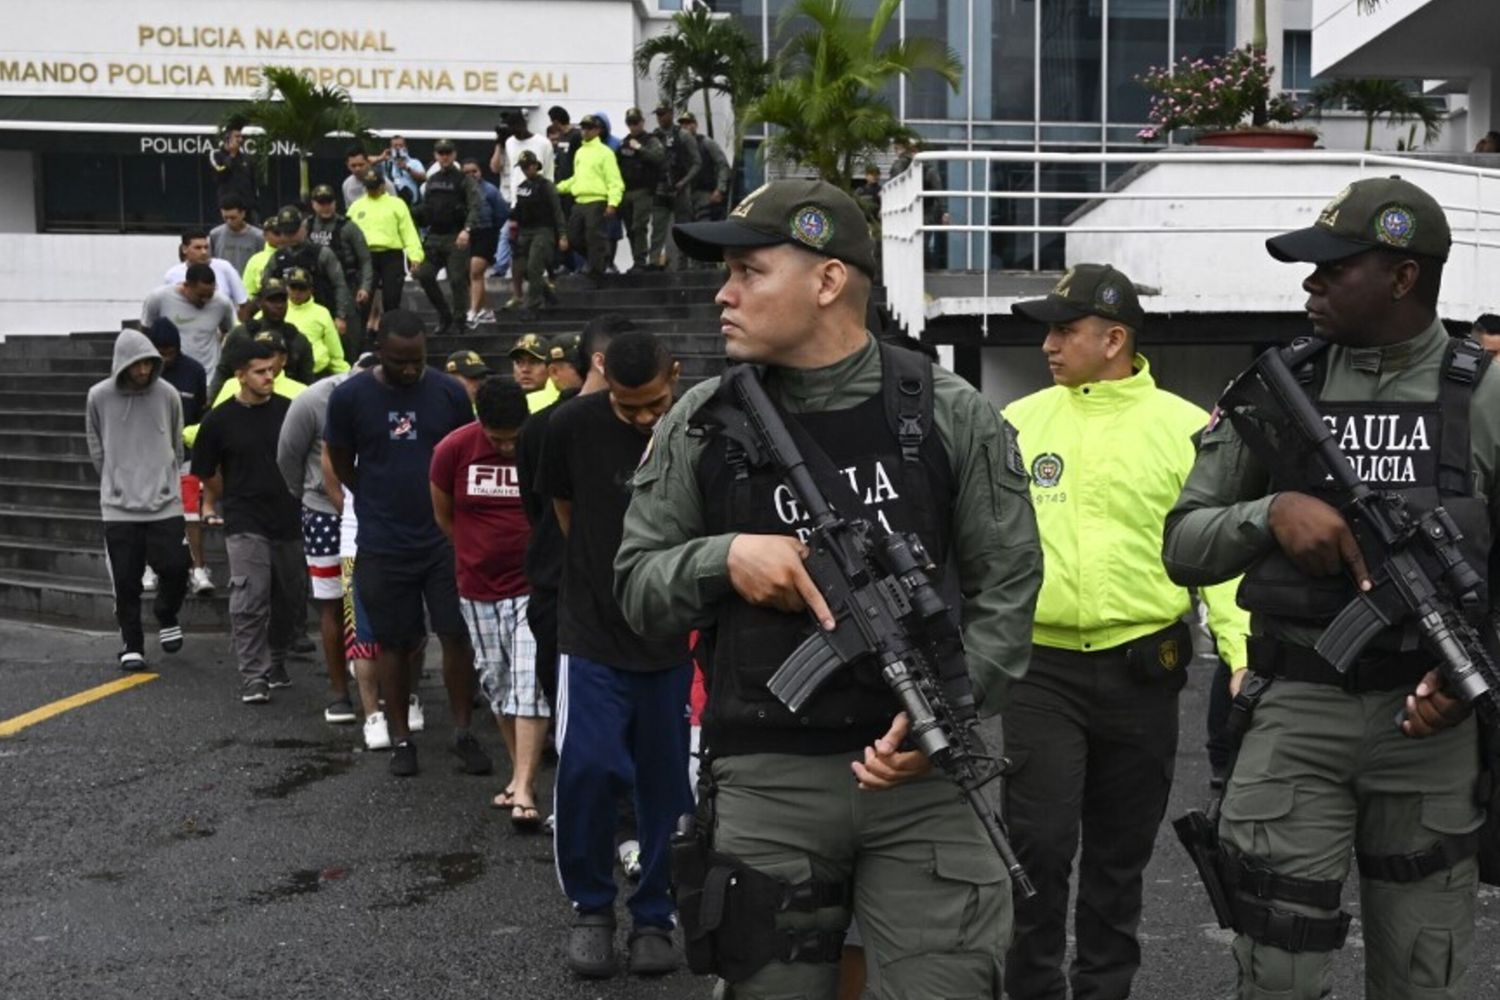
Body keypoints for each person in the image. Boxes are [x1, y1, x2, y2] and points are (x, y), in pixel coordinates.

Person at [613, 179, 1043, 997]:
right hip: (769, 779)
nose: (723, 293)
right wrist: (725, 557)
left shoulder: (950, 414)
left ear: (827, 280)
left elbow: (1008, 595)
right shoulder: (702, 420)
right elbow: (636, 586)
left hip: (929, 778)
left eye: (748, 271)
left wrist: (948, 714)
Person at [1163, 176, 1499, 1000]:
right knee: (1275, 960)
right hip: (1296, 709)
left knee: (1430, 972)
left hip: (1429, 720)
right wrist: (1271, 513)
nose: (1309, 285)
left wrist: (1468, 679)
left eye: (1333, 269)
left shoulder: (1485, 395)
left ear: (1403, 275)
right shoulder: (1280, 391)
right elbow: (1183, 541)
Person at [1001, 264, 1251, 1000]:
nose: (1048, 343)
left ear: (1114, 338)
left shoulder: (1185, 427)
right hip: (1039, 670)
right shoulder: (1016, 422)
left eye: (1063, 329)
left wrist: (1239, 654)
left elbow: (1222, 556)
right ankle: (1035, 990)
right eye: (1047, 329)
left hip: (1145, 671)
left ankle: (1105, 990)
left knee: (1120, 858)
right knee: (1036, 850)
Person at [537, 330, 690, 979]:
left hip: (674, 636)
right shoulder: (568, 425)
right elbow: (567, 513)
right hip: (593, 631)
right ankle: (591, 909)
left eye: (653, 403)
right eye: (629, 408)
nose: (643, 418)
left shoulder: (701, 428)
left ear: (674, 377)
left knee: (667, 784)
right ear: (604, 380)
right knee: (589, 770)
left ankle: (655, 914)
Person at [323, 309, 488, 779]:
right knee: (394, 642)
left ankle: (462, 731)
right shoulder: (351, 396)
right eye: (400, 361)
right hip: (382, 538)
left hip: (443, 538)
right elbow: (341, 459)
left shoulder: (450, 392)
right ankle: (401, 739)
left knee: (456, 634)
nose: (410, 369)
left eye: (417, 359)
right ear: (381, 352)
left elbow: (465, 455)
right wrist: (375, 498)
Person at [431, 378, 548, 829]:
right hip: (475, 584)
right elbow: (444, 513)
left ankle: (522, 788)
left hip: (529, 584)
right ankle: (523, 777)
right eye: (497, 439)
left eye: (512, 439)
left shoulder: (538, 443)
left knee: (527, 680)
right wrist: (471, 552)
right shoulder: (454, 449)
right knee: (498, 684)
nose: (505, 447)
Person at [191, 340, 303, 704]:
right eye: (260, 371)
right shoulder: (218, 420)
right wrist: (230, 499)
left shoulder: (290, 411)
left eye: (271, 370)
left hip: (288, 516)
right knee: (249, 595)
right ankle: (254, 674)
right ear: (240, 376)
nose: (269, 376)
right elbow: (207, 473)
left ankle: (278, 660)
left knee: (289, 597)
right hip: (244, 518)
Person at [517, 322, 619, 716]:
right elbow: (539, 505)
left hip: (592, 580)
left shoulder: (639, 421)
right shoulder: (542, 426)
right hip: (561, 580)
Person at [86, 328, 190, 671]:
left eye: (149, 363)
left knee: (176, 566)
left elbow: (176, 441)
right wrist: (114, 480)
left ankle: (166, 611)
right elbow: (96, 445)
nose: (143, 370)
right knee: (125, 578)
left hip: (164, 500)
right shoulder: (98, 396)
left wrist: (164, 476)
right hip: (119, 504)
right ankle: (132, 643)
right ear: (122, 364)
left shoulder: (168, 393)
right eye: (137, 364)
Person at [277, 361, 362, 725]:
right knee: (331, 600)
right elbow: (287, 456)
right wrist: (309, 496)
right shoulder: (312, 400)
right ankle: (339, 691)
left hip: (379, 510)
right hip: (325, 512)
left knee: (377, 598)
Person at [142, 318, 214, 597]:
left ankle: (197, 569)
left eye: (170, 352)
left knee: (190, 512)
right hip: (150, 455)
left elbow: (200, 411)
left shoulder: (193, 371)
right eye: (160, 353)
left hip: (185, 453)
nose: (165, 358)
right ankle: (149, 566)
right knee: (150, 511)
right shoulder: (144, 372)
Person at [414, 139, 481, 336]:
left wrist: (467, 230)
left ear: (454, 155)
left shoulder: (463, 179)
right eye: (440, 153)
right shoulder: (432, 180)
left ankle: (460, 320)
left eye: (447, 153)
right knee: (424, 274)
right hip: (434, 235)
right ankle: (445, 315)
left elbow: (475, 206)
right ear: (435, 155)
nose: (444, 156)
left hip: (455, 235)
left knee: (457, 279)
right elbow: (426, 209)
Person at [209, 278, 315, 398]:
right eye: (272, 301)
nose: (279, 306)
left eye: (282, 300)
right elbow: (223, 372)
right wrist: (210, 400)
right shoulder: (241, 334)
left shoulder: (298, 339)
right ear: (259, 303)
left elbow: (308, 381)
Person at [257, 207, 353, 338]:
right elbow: (265, 288)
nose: (290, 237)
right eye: (286, 233)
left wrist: (340, 316)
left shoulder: (322, 254)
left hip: (323, 315)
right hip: (288, 317)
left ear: (303, 228)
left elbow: (340, 285)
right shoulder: (277, 258)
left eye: (293, 232)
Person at [348, 167, 425, 319]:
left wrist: (415, 256)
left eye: (375, 187)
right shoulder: (356, 207)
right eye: (369, 187)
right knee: (363, 301)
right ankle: (360, 339)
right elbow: (347, 234)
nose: (373, 190)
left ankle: (390, 338)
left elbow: (408, 231)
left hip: (391, 256)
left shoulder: (397, 204)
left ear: (383, 185)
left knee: (392, 300)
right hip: (366, 257)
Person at [556, 115, 623, 288]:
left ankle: (596, 272)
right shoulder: (580, 152)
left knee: (594, 236)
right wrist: (557, 187)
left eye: (589, 128)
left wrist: (612, 203)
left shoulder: (605, 152)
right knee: (573, 236)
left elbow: (614, 181)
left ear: (597, 130)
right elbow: (577, 179)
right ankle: (600, 258)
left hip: (597, 200)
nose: (584, 131)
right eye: (583, 127)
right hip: (580, 201)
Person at [307, 183, 373, 357]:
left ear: (335, 203)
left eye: (329, 201)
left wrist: (365, 287)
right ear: (313, 204)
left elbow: (365, 259)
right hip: (316, 287)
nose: (325, 206)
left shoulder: (348, 227)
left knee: (349, 336)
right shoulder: (306, 226)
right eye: (321, 202)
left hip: (347, 285)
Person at [141, 262, 236, 375]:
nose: (205, 301)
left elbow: (229, 332)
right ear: (186, 285)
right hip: (170, 373)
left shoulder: (222, 304)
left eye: (209, 296)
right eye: (200, 296)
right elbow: (145, 331)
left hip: (209, 375)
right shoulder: (158, 298)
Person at [510, 150, 567, 314]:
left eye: (528, 166)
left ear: (535, 166)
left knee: (535, 266)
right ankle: (548, 294)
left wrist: (562, 235)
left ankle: (533, 306)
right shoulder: (522, 188)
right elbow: (518, 212)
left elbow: (557, 211)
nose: (525, 170)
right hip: (525, 231)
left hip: (543, 230)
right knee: (523, 269)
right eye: (523, 167)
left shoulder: (546, 186)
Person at [651, 104, 702, 270]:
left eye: (662, 114)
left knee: (683, 229)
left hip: (680, 188)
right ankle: (654, 262)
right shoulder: (654, 136)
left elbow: (696, 163)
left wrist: (684, 182)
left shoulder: (683, 135)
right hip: (660, 188)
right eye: (658, 115)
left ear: (671, 114)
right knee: (658, 228)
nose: (660, 118)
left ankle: (684, 263)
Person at [616, 109, 667, 273]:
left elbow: (658, 157)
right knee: (630, 228)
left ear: (642, 122)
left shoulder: (650, 140)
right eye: (630, 123)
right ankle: (636, 260)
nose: (633, 126)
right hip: (626, 191)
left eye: (635, 122)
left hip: (643, 190)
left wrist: (640, 149)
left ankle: (641, 261)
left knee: (639, 226)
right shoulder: (623, 142)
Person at [462, 158, 508, 328]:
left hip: (486, 233)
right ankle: (485, 310)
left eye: (474, 171)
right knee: (472, 274)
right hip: (468, 234)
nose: (471, 175)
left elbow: (502, 213)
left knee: (476, 270)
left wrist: (493, 230)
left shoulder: (490, 190)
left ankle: (472, 311)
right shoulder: (462, 190)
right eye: (466, 172)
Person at [283, 267, 347, 378]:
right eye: (293, 287)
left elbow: (335, 353)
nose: (297, 292)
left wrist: (346, 376)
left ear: (310, 290)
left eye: (302, 288)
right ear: (286, 288)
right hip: (284, 375)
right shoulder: (277, 309)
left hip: (315, 374)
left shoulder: (322, 313)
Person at [164, 231, 249, 311]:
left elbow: (242, 301)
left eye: (206, 247)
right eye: (198, 248)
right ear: (184, 249)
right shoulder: (172, 275)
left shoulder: (225, 268)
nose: (204, 252)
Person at [679, 113, 730, 223]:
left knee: (704, 226)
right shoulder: (680, 146)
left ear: (695, 125)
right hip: (685, 195)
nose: (685, 127)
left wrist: (720, 189)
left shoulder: (706, 143)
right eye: (682, 124)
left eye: (688, 123)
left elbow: (722, 165)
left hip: (704, 193)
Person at [208, 122, 257, 214]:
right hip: (229, 207)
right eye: (237, 137)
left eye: (241, 137)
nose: (240, 140)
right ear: (227, 139)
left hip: (247, 207)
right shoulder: (216, 154)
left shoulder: (246, 157)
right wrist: (232, 154)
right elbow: (220, 174)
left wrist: (254, 202)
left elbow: (252, 181)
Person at [209, 196, 265, 277]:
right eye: (225, 218)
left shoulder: (258, 237)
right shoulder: (215, 234)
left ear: (243, 213)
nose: (229, 221)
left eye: (233, 218)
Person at [509, 332, 559, 412]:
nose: (525, 369)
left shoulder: (560, 404)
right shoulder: (503, 402)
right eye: (519, 362)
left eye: (534, 362)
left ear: (551, 368)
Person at [373, 134, 427, 206]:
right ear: (390, 148)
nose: (398, 148)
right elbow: (366, 162)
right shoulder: (385, 163)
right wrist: (381, 158)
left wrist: (407, 168)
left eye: (401, 145)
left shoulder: (414, 162)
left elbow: (423, 177)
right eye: (395, 146)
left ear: (405, 148)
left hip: (410, 204)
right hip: (390, 204)